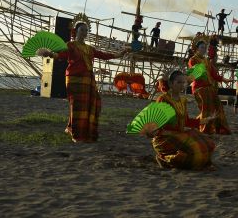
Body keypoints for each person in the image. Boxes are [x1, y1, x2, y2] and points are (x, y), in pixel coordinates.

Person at [40, 15, 127, 143]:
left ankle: (82, 130)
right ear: (76, 31)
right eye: (82, 30)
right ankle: (76, 134)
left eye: (86, 31)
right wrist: (50, 54)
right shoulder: (70, 45)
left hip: (88, 80)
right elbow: (61, 54)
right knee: (76, 105)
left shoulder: (89, 48)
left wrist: (119, 54)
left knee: (91, 104)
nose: (84, 33)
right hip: (74, 79)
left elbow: (103, 55)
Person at [143, 70, 216, 170]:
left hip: (179, 134)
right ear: (171, 84)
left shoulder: (183, 101)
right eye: (178, 82)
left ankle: (200, 163)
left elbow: (186, 121)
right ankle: (164, 159)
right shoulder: (163, 99)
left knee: (208, 145)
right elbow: (155, 121)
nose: (182, 85)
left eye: (183, 82)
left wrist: (205, 120)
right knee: (193, 150)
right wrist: (153, 131)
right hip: (164, 138)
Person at [187, 38, 231, 134]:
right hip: (199, 88)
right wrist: (200, 72)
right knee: (206, 109)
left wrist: (224, 79)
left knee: (218, 107)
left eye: (205, 48)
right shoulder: (193, 60)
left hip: (209, 87)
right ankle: (204, 128)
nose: (204, 49)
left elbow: (214, 74)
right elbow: (194, 74)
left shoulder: (206, 60)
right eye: (202, 47)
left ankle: (218, 128)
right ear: (197, 48)